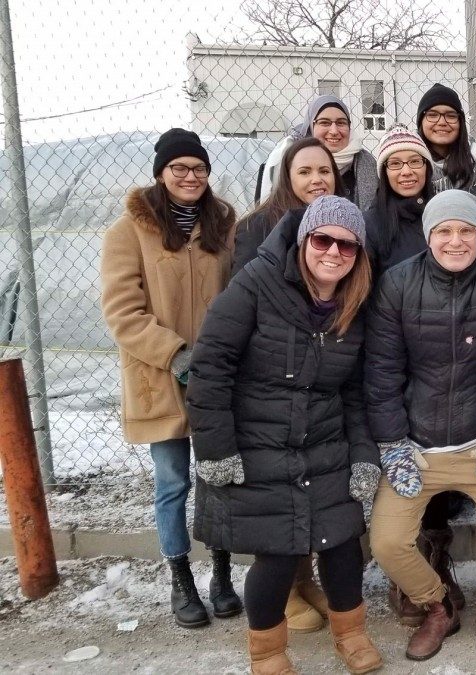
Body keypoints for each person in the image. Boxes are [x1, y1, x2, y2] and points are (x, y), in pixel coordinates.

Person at [186, 195, 383, 674]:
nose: (333, 252)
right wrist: (216, 450)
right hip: (259, 443)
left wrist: (362, 455)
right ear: (303, 240)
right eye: (323, 239)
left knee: (341, 546)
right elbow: (210, 368)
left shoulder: (355, 303)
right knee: (276, 555)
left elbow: (356, 393)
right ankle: (268, 653)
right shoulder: (256, 284)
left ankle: (351, 634)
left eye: (347, 246)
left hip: (326, 443)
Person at [366, 190, 476, 662]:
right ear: (428, 235)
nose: (455, 241)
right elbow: (382, 371)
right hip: (417, 447)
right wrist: (393, 443)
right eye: (444, 230)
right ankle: (437, 605)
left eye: (466, 231)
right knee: (387, 541)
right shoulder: (397, 284)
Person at [100, 128, 242, 629]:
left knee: (218, 479)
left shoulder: (224, 225)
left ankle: (222, 577)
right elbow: (122, 311)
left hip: (218, 379)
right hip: (161, 378)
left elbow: (239, 292)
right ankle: (182, 581)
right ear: (161, 173)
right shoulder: (128, 231)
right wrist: (175, 354)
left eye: (199, 169)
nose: (190, 177)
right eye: (180, 168)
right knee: (173, 483)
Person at [233, 137, 341, 274]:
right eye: (304, 172)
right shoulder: (258, 225)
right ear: (288, 178)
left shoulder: (345, 225)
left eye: (324, 171)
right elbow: (243, 289)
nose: (317, 179)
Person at [255, 95, 378, 210]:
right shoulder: (281, 164)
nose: (334, 131)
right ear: (310, 126)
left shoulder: (366, 165)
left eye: (341, 123)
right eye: (324, 122)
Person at [415, 82, 476, 219]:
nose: (442, 122)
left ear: (460, 122)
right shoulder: (408, 169)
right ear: (421, 121)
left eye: (451, 115)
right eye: (432, 115)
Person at [364, 126, 440, 272]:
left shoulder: (444, 214)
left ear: (427, 167)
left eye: (415, 161)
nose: (406, 171)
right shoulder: (370, 225)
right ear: (384, 173)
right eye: (395, 164)